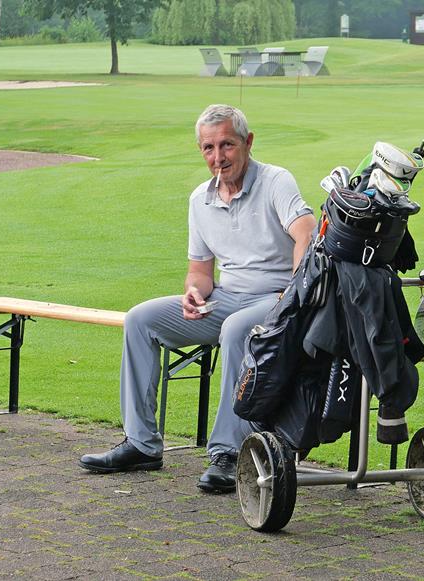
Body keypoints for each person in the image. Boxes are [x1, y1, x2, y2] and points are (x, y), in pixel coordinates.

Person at [79, 104, 316, 493]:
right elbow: (201, 272)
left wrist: (292, 293)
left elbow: (306, 232)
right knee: (140, 319)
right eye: (209, 147)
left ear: (248, 142)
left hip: (276, 299)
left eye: (227, 145)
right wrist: (193, 293)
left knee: (236, 329)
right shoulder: (199, 200)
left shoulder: (276, 181)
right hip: (226, 297)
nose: (218, 157)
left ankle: (229, 453)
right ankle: (141, 443)